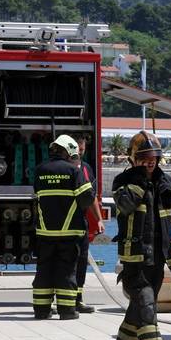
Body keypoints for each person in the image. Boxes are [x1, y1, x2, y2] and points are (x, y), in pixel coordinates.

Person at [113, 131, 171, 340]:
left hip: (159, 256)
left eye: (153, 157)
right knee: (145, 301)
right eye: (144, 158)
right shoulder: (123, 181)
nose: (150, 162)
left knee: (143, 305)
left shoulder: (166, 182)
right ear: (133, 159)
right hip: (135, 256)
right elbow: (125, 205)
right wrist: (140, 181)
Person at [31, 135, 94, 320]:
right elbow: (87, 198)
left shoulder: (40, 170)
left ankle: (41, 310)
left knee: (44, 270)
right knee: (66, 270)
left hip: (45, 232)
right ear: (69, 152)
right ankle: (67, 310)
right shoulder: (74, 170)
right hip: (69, 232)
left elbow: (37, 194)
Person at [72, 133, 105, 314]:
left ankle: (78, 299)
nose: (80, 152)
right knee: (64, 263)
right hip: (63, 224)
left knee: (81, 261)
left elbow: (91, 197)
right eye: (77, 149)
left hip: (80, 223)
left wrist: (98, 219)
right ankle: (62, 300)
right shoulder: (64, 169)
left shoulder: (86, 169)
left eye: (82, 149)